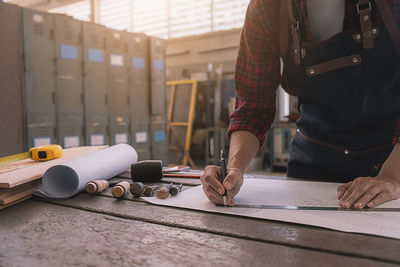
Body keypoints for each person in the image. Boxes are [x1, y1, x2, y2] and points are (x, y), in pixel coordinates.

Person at [201, 0, 400, 209]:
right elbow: (252, 107)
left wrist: (393, 177)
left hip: (391, 165)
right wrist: (233, 169)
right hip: (310, 170)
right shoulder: (267, 7)